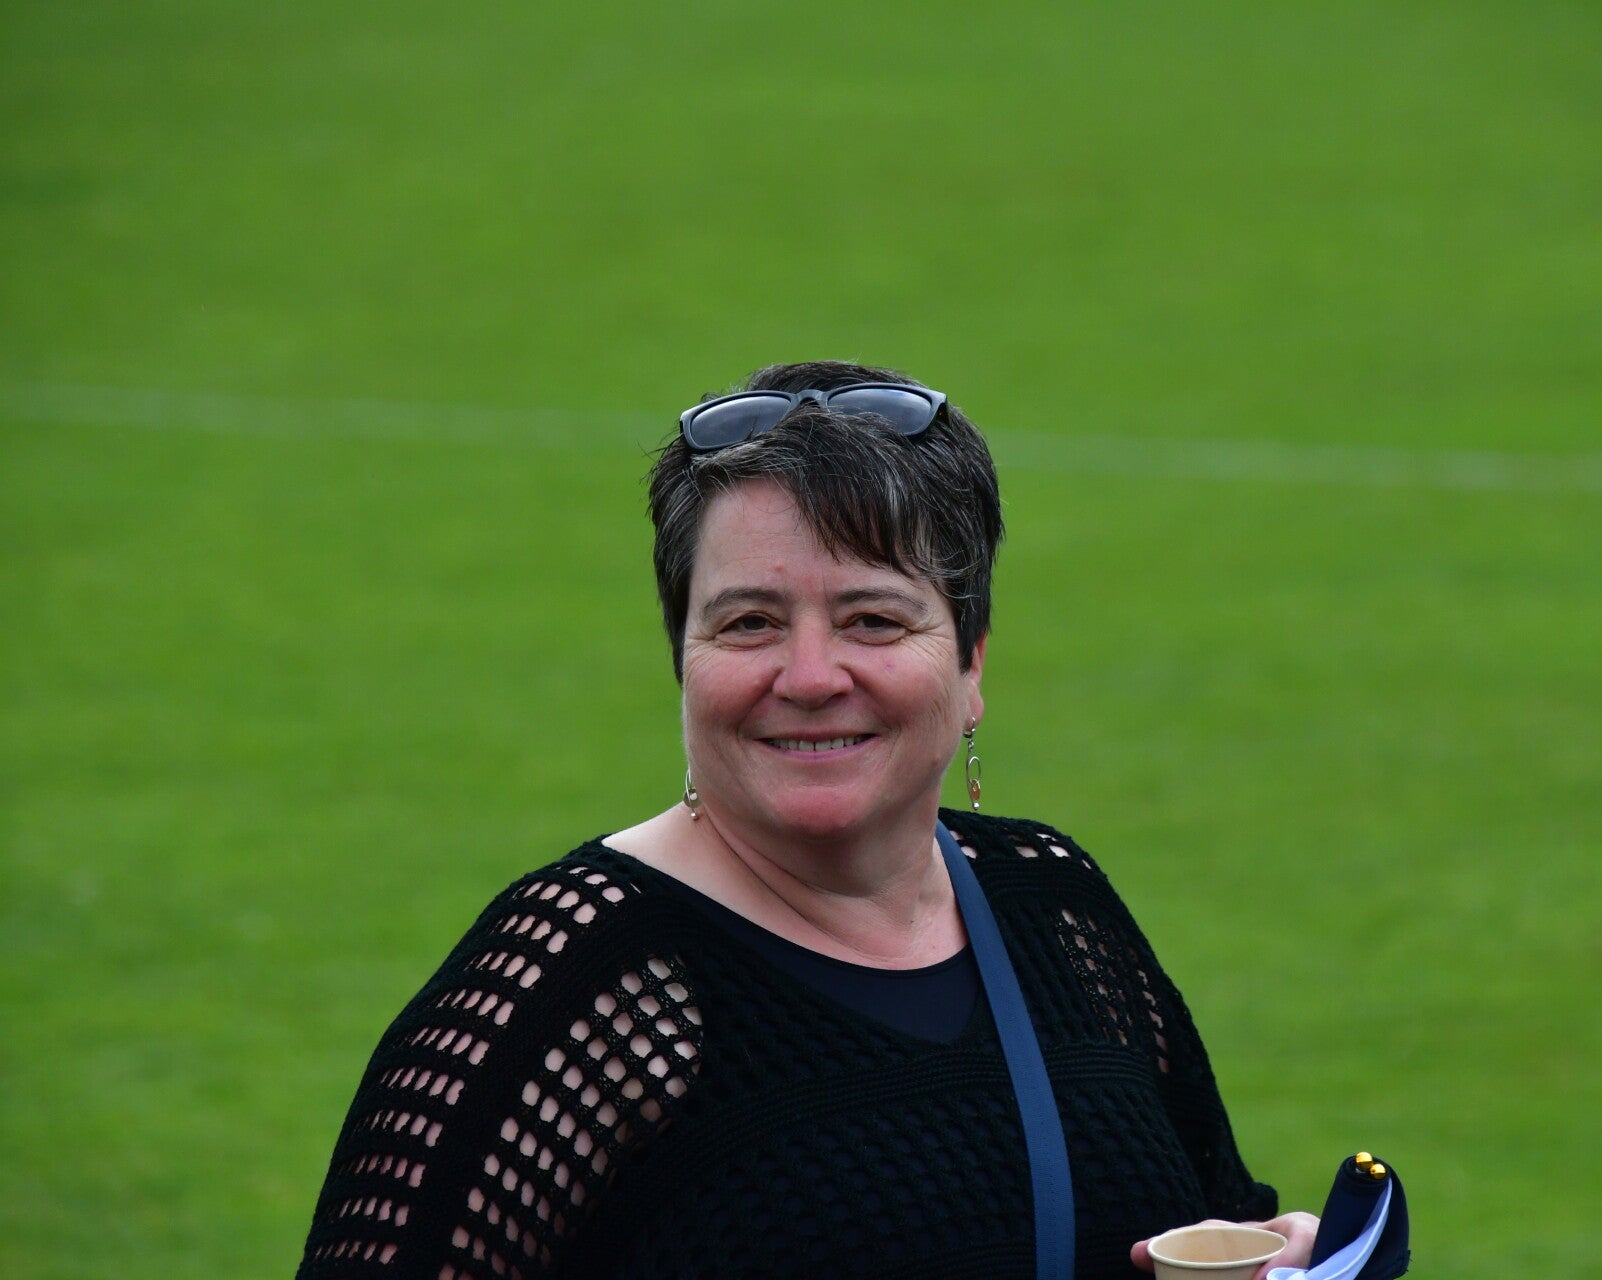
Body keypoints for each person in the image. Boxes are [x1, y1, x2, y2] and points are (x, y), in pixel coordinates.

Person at [297, 360, 1319, 1278]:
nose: (812, 675)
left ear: (970, 664)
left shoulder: (1056, 908)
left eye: (873, 618)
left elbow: (1219, 1221)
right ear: (683, 660)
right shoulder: (576, 978)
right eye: (750, 623)